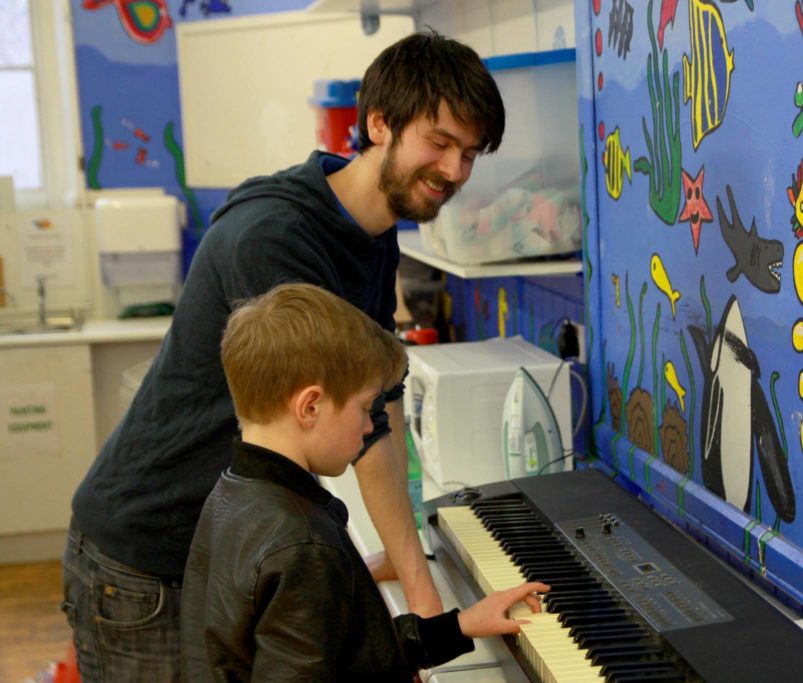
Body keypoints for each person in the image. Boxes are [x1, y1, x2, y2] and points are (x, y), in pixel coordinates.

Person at [62, 29, 505, 681]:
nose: (455, 171)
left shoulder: (370, 231)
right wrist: (404, 602)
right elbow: (344, 430)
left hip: (224, 546)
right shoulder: (277, 239)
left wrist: (418, 597)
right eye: (439, 143)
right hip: (151, 554)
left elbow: (371, 406)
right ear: (378, 123)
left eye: (470, 153)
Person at [180, 283, 547, 681]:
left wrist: (457, 626)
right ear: (310, 407)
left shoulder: (233, 493)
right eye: (364, 407)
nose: (371, 425)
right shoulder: (301, 544)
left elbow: (343, 650)